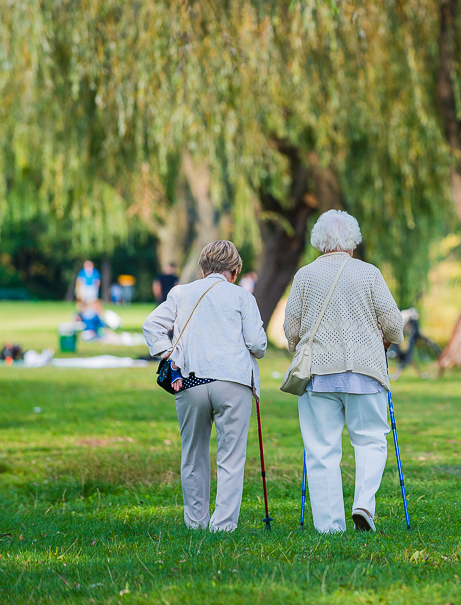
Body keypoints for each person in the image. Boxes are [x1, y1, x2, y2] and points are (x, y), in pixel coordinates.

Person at [284, 210, 404, 533]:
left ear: (319, 242)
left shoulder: (304, 276)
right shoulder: (369, 274)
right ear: (352, 241)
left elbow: (290, 330)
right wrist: (387, 340)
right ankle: (363, 503)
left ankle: (330, 527)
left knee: (321, 449)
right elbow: (394, 324)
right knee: (371, 440)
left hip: (318, 374)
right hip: (365, 371)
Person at [142, 241, 267, 532]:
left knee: (193, 454)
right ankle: (223, 525)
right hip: (232, 381)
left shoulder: (181, 293)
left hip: (190, 381)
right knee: (231, 457)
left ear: (202, 269)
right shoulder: (242, 297)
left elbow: (152, 325)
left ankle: (195, 522)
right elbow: (258, 345)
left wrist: (168, 353)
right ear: (235, 271)